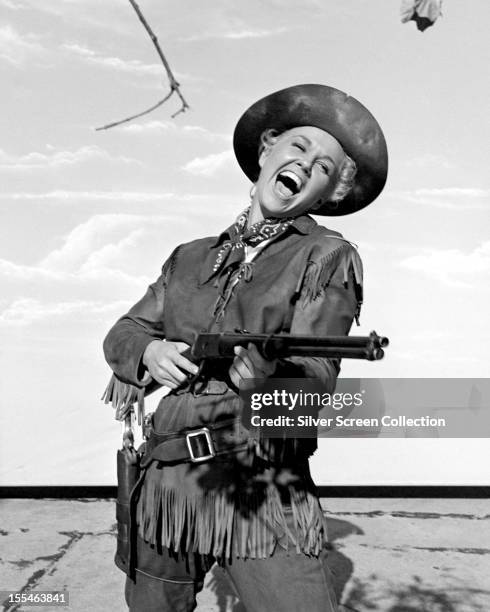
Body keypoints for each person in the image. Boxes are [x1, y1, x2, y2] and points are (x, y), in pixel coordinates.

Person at [103, 83, 388, 612]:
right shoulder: (188, 258)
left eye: (323, 167)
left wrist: (262, 377)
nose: (305, 166)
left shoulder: (326, 256)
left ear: (328, 195)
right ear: (266, 150)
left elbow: (315, 383)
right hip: (167, 481)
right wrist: (148, 354)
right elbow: (123, 332)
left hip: (261, 485)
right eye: (298, 149)